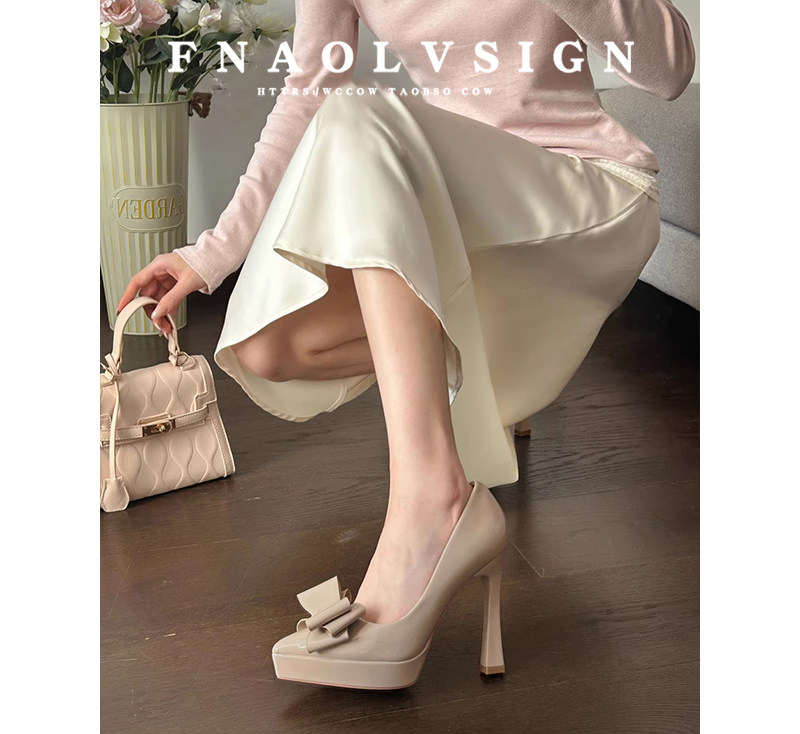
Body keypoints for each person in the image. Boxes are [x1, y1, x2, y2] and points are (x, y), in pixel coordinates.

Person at [117, 1, 695, 689]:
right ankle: (450, 480)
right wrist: (212, 253)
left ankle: (433, 500)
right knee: (272, 345)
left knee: (359, 115)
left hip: (584, 190)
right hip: (453, 215)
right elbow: (308, 91)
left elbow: (669, 71)